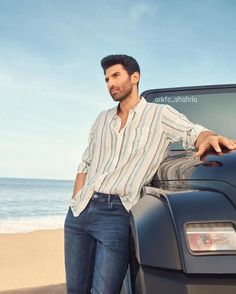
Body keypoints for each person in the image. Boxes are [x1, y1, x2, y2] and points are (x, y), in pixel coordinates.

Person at [64, 54, 236, 294]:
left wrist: (209, 137)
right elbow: (85, 163)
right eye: (106, 79)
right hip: (80, 211)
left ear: (135, 77)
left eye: (115, 75)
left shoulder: (160, 114)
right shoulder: (101, 119)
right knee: (75, 289)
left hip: (118, 212)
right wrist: (76, 202)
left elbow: (192, 132)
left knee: (104, 291)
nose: (110, 83)